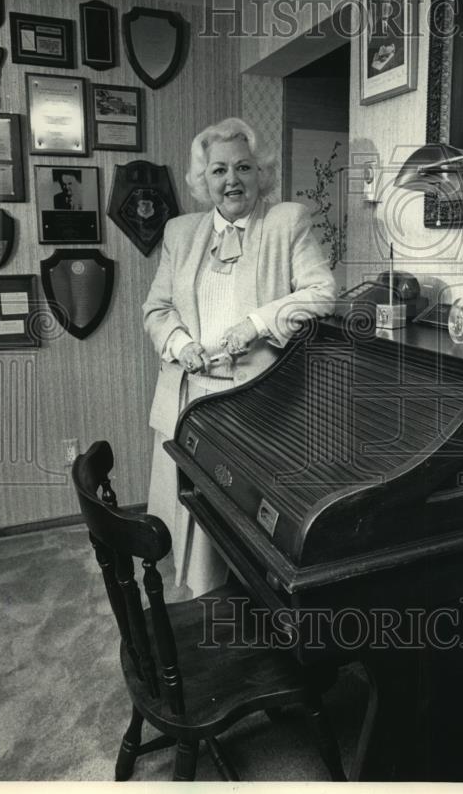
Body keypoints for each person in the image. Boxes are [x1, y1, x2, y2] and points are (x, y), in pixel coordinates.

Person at [142, 117, 336, 598]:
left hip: (254, 399)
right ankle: (199, 607)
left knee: (244, 519)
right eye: (219, 170)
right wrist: (181, 344)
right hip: (189, 394)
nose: (232, 180)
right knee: (192, 512)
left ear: (261, 172)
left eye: (243, 167)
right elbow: (157, 308)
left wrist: (256, 324)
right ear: (202, 180)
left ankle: (247, 619)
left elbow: (321, 292)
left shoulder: (285, 222)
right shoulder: (180, 232)